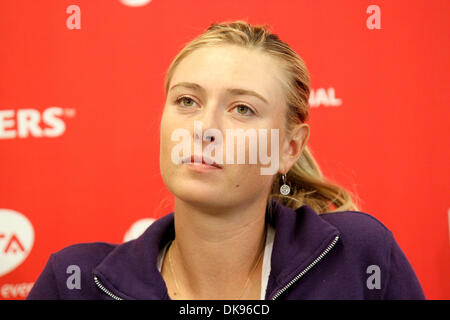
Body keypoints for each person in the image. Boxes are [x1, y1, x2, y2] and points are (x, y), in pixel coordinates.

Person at [27, 20, 425, 300]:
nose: (204, 127)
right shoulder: (73, 283)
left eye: (242, 109)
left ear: (289, 148)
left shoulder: (359, 256)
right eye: (187, 101)